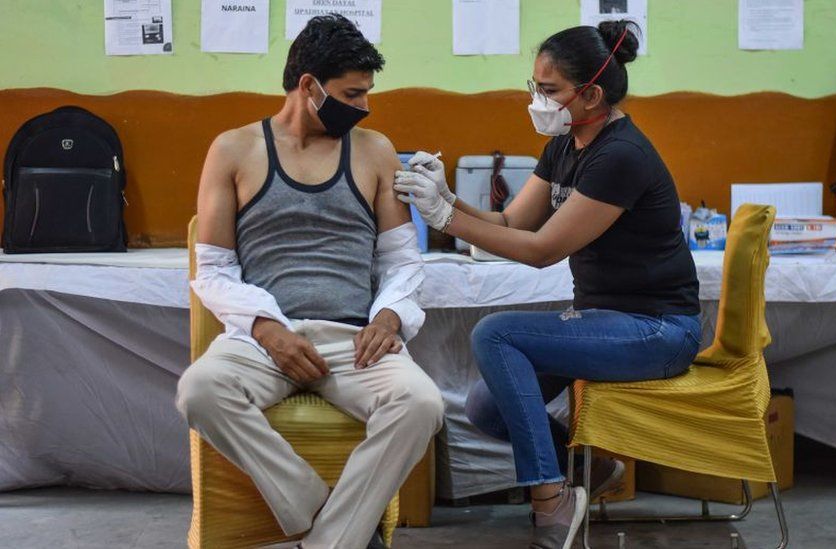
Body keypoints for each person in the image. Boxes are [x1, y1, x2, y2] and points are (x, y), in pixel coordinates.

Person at [395, 20, 701, 549]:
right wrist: (444, 196)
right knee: (486, 409)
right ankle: (591, 473)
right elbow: (513, 224)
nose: (538, 99)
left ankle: (551, 500)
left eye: (551, 90)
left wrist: (446, 219)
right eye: (535, 85)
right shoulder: (566, 144)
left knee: (496, 334)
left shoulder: (620, 155)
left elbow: (540, 251)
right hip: (605, 322)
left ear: (592, 94)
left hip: (658, 331)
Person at [175, 15, 443, 549]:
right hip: (264, 338)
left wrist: (389, 315)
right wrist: (267, 329)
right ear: (308, 86)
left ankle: (327, 542)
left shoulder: (375, 150)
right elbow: (215, 269)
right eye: (353, 93)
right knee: (199, 391)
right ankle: (323, 517)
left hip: (353, 340)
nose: (364, 106)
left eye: (368, 93)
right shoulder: (232, 150)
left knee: (421, 404)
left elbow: (401, 260)